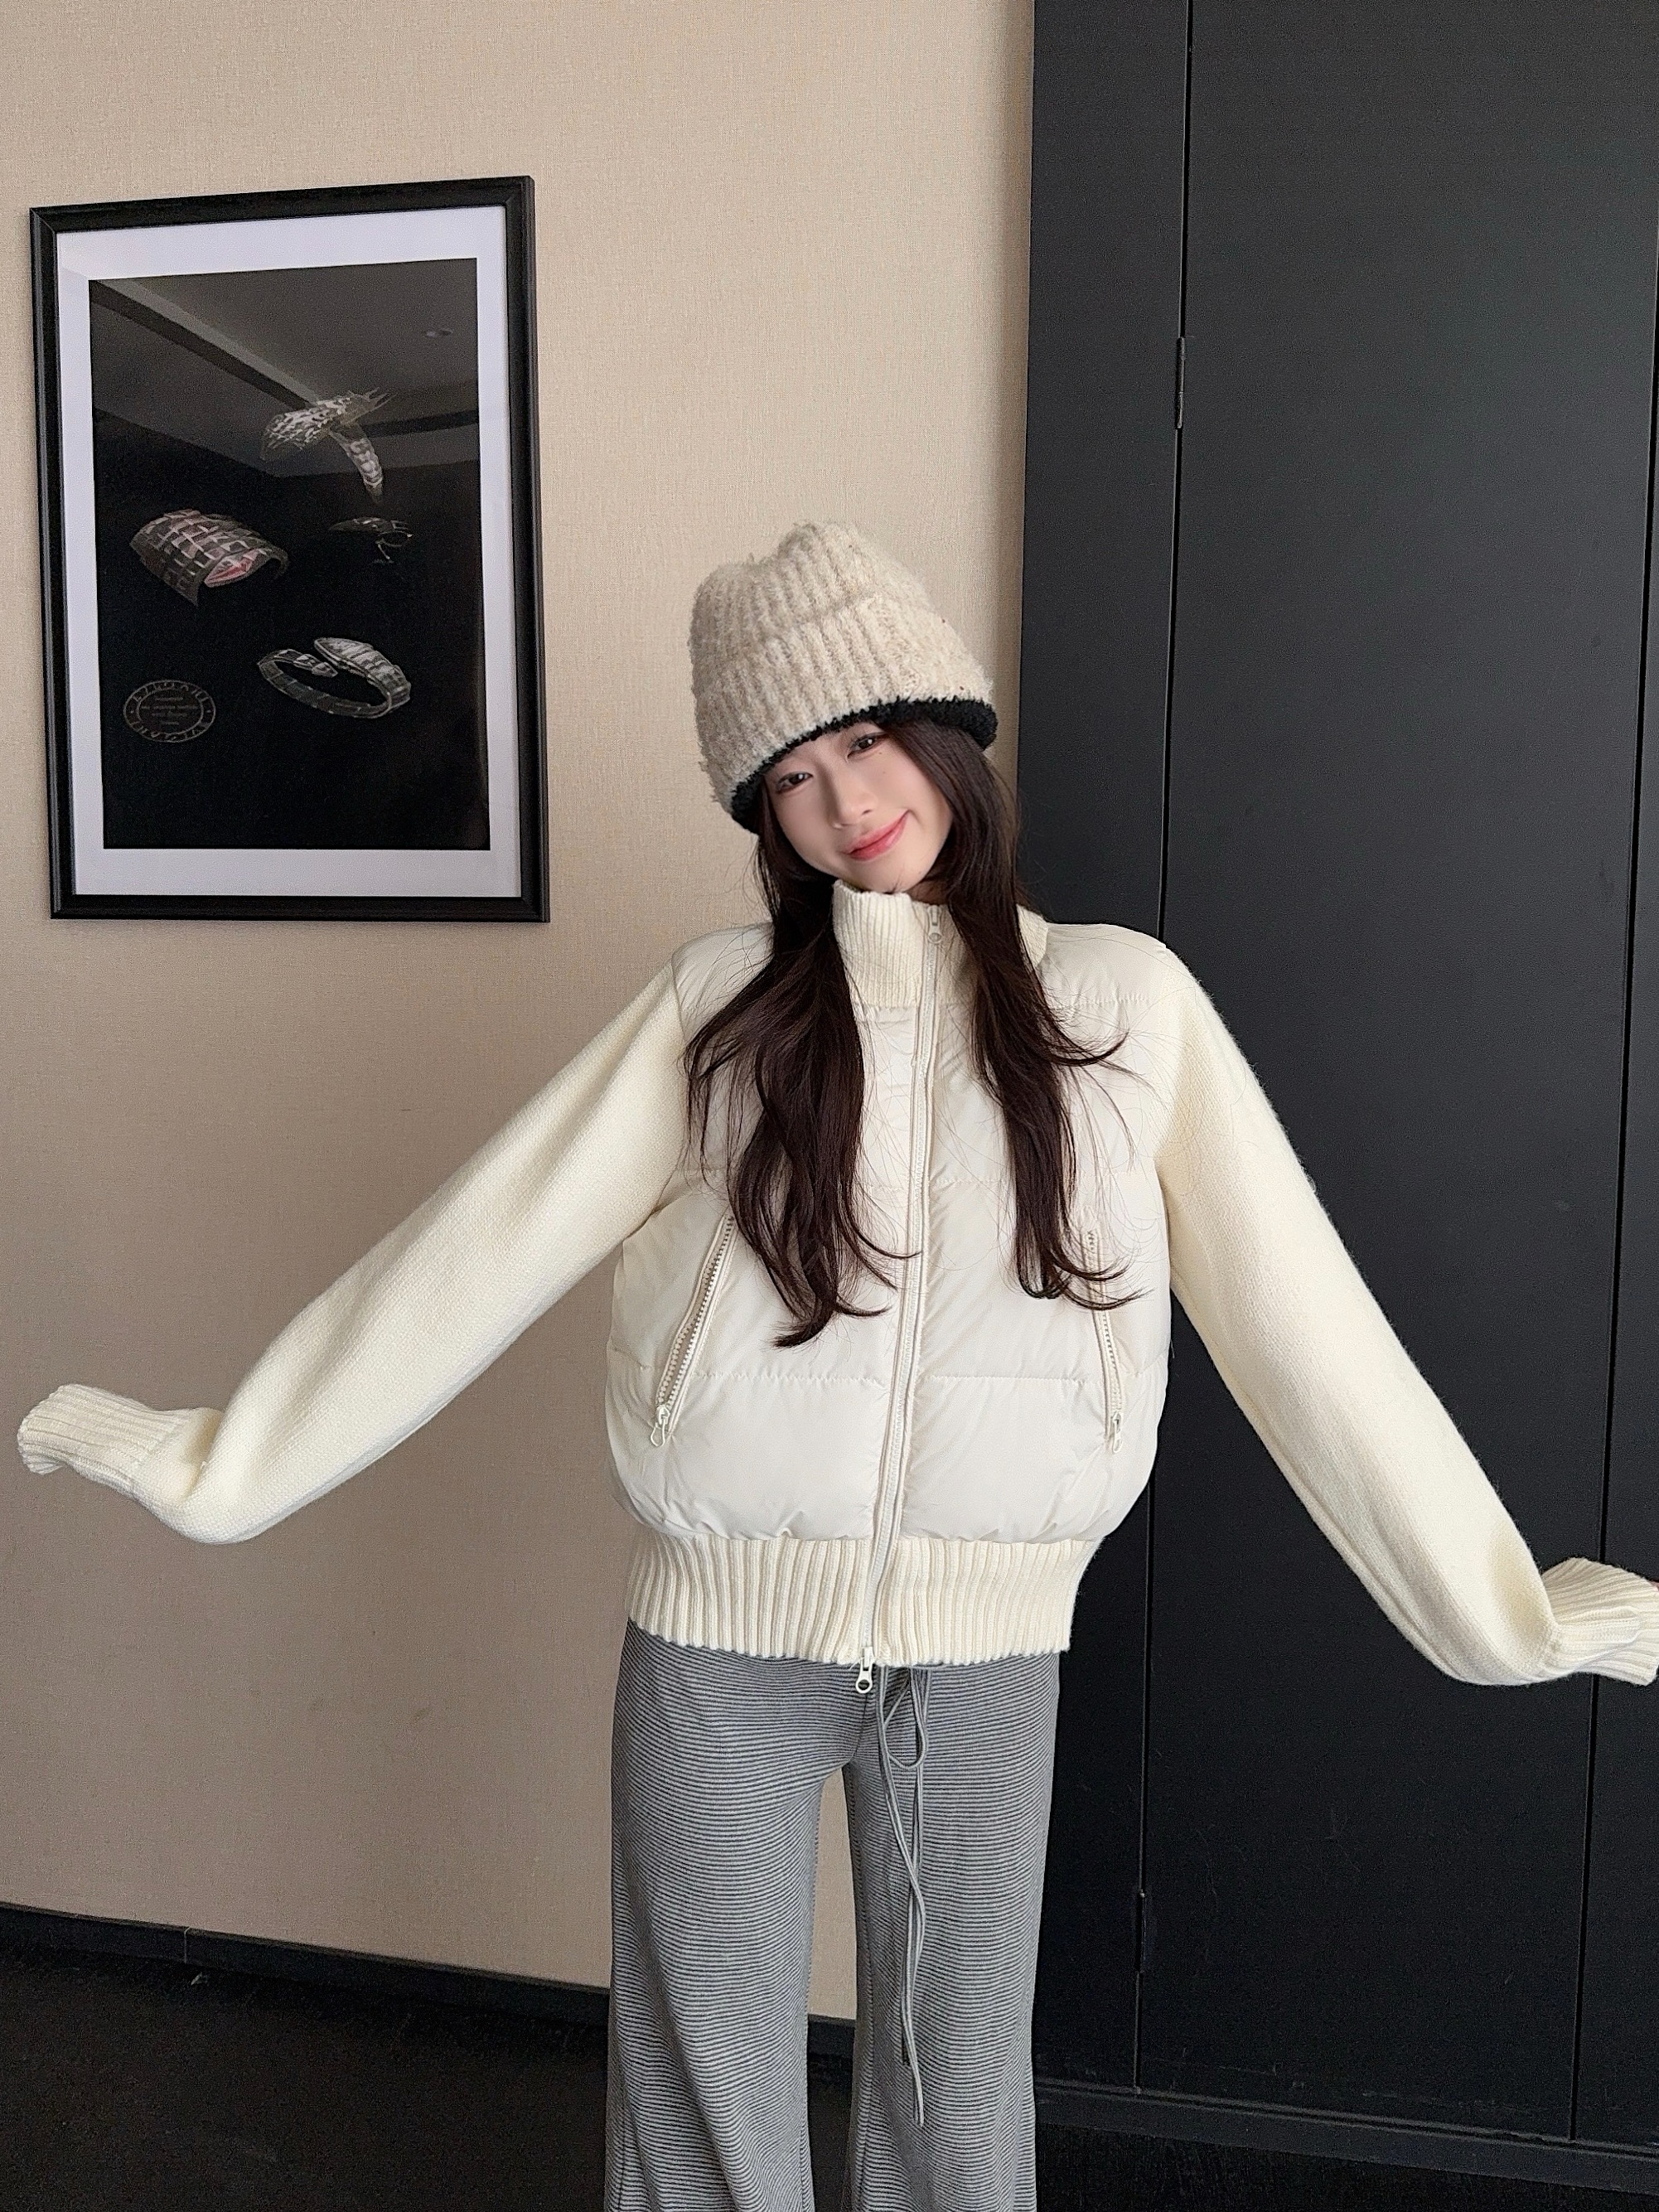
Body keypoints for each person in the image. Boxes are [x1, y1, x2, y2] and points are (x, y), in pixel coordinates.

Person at [17, 518, 1659, 2212]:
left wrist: (1494, 1610)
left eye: (865, 738)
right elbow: (476, 1248)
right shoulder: (717, 1009)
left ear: (943, 733)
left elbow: (1302, 1323)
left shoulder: (1124, 1006)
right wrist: (232, 1463)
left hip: (989, 1640)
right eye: (787, 778)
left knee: (958, 2100)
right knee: (700, 2087)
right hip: (717, 1635)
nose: (840, 800)